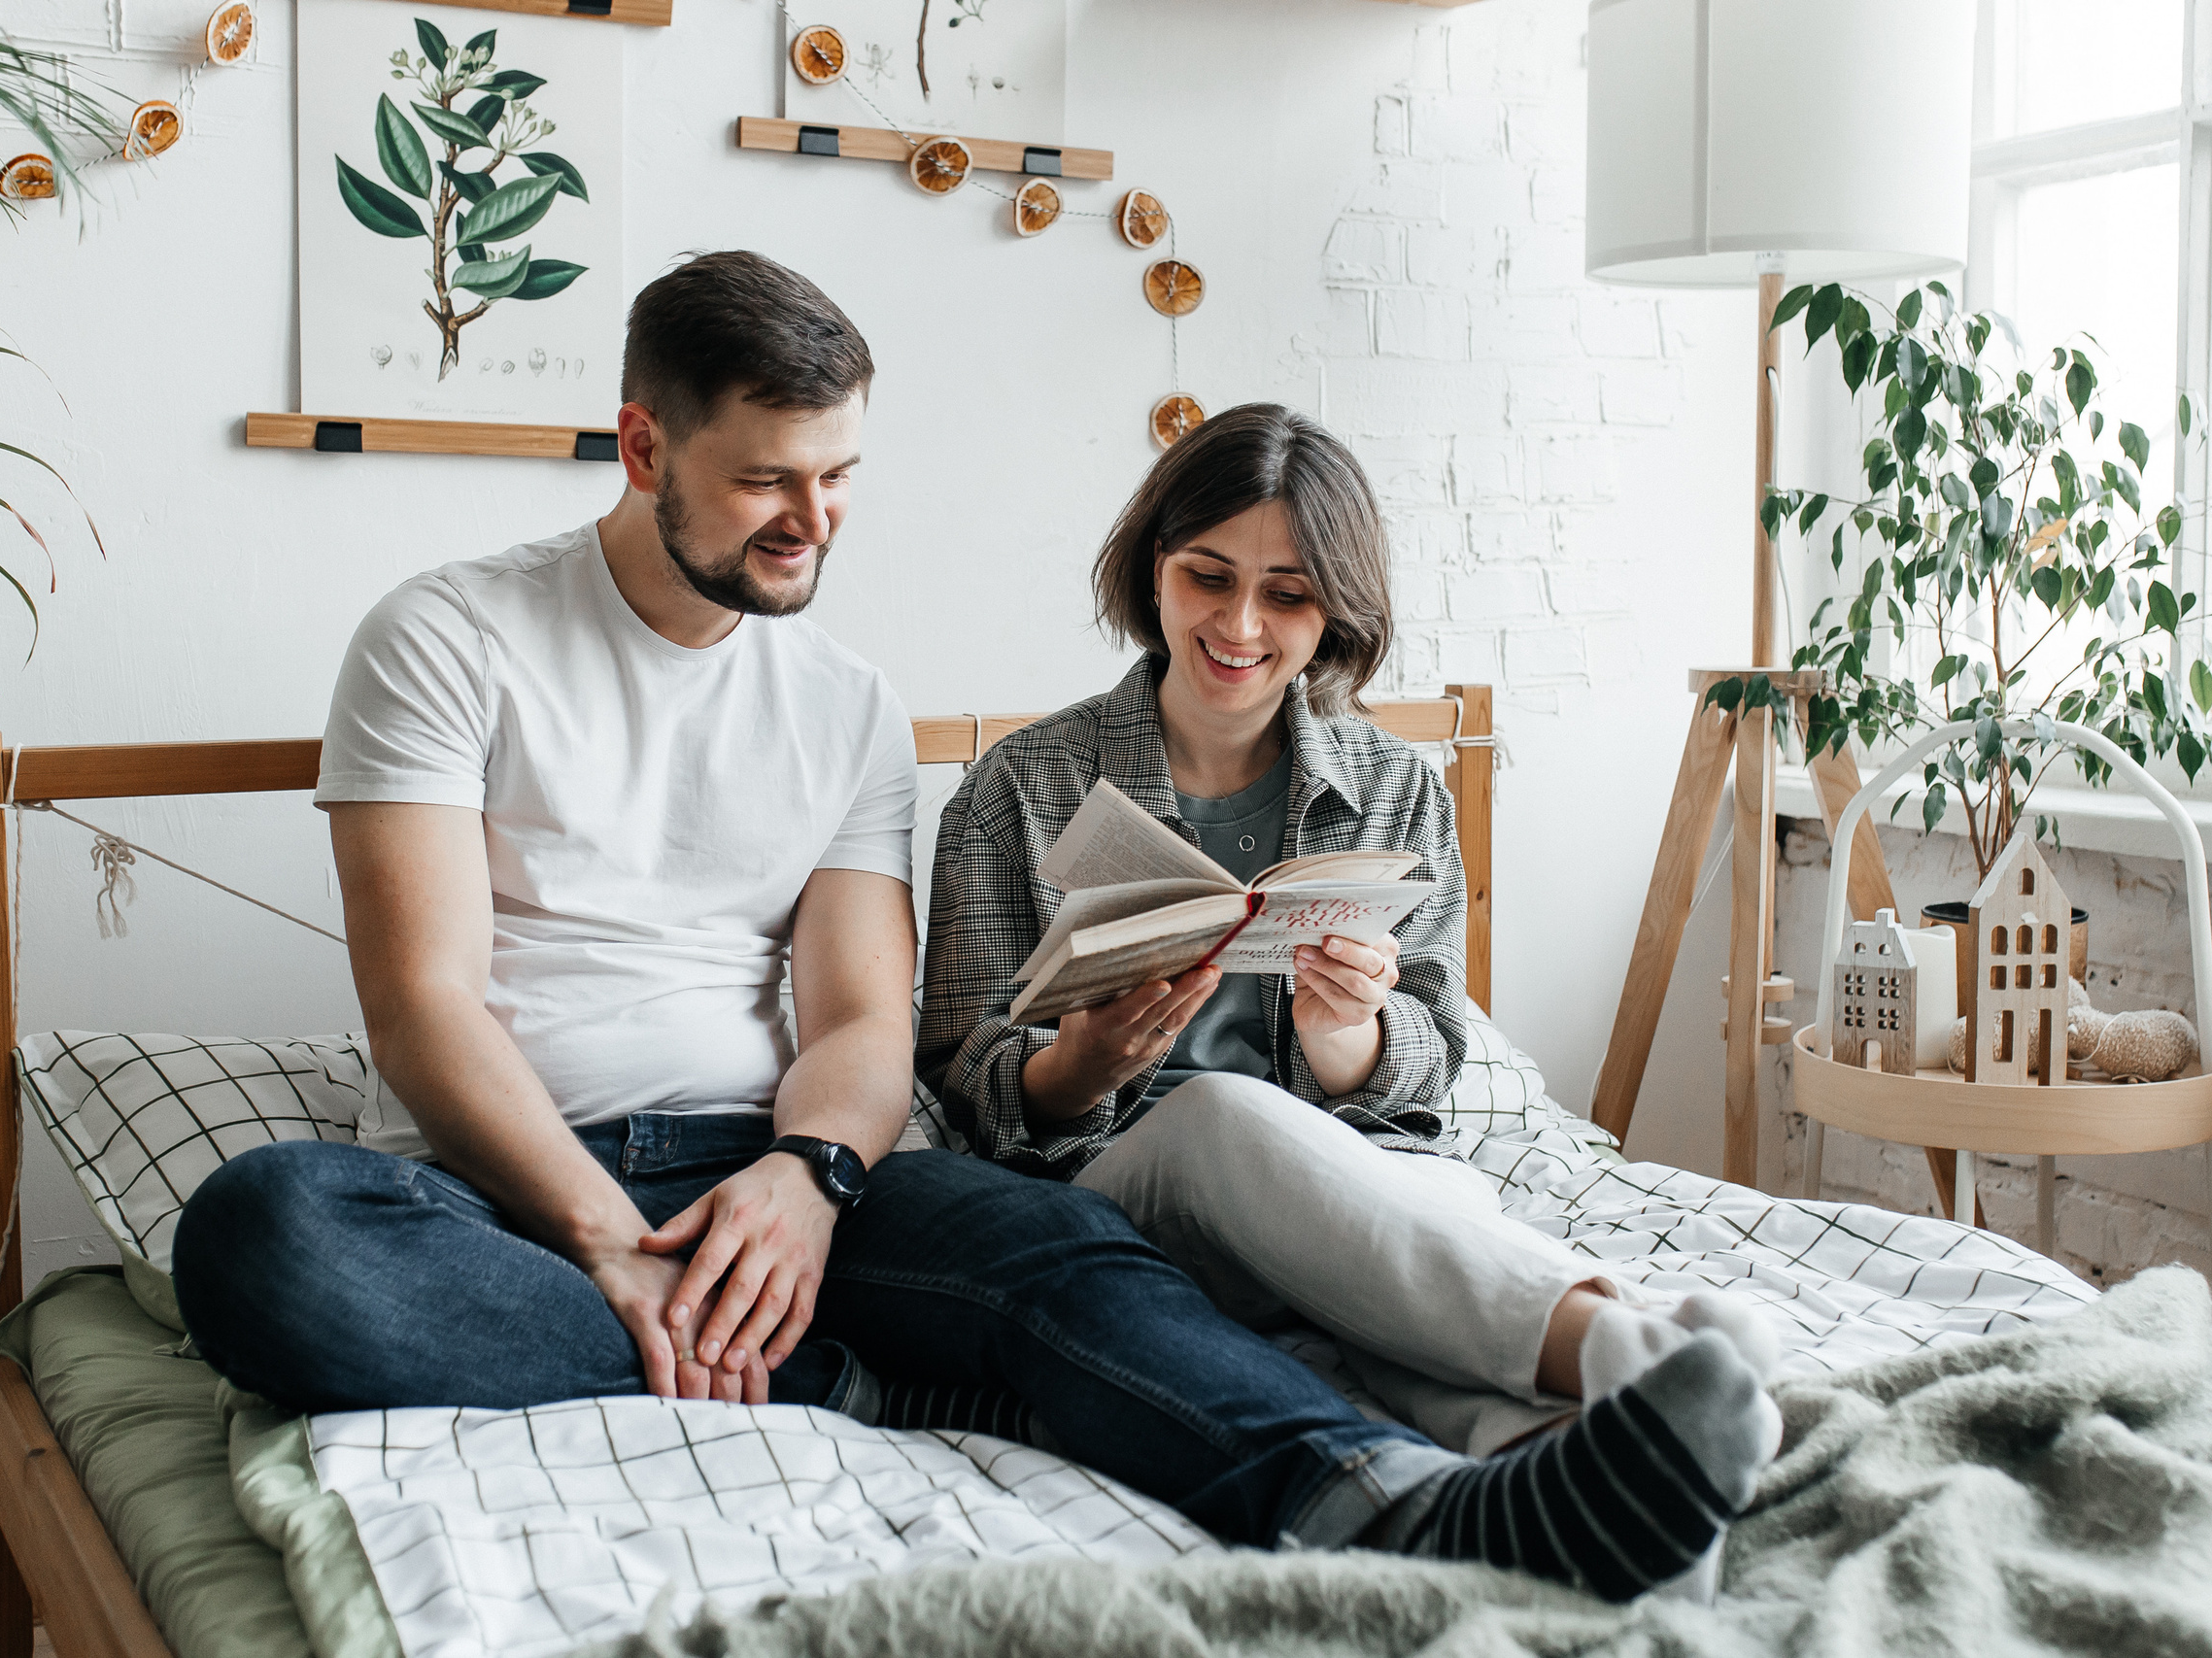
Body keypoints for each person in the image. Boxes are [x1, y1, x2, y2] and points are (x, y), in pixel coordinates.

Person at [175, 257, 1776, 1605]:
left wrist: (807, 1184)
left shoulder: (846, 700)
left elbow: (868, 1028)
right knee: (263, 1238)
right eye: (766, 479)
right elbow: (426, 1005)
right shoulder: (444, 637)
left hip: (774, 1165)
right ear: (643, 442)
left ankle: (1406, 1500)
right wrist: (606, 1237)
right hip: (501, 1196)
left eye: (842, 475)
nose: (813, 518)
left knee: (1067, 1250)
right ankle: (837, 1374)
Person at [918, 402, 1783, 1593]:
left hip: (1347, 1195)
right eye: (1206, 578)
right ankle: (1633, 1345)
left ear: (1334, 613)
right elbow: (955, 1082)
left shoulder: (1398, 791)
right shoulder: (1020, 786)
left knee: (1393, 1251)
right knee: (1223, 1117)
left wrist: (1350, 1036)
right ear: (1152, 571)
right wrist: (1083, 1064)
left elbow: (1432, 1059)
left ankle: (1585, 1482)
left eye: (1287, 595)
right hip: (1115, 1204)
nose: (1238, 625)